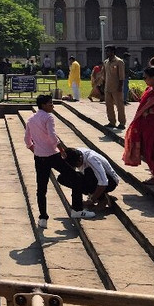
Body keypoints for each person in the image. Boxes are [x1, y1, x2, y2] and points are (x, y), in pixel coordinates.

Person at [24, 94, 93, 228]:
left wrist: (36, 150)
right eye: (50, 104)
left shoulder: (31, 119)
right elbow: (52, 136)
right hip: (53, 156)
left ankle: (43, 218)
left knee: (41, 188)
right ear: (43, 105)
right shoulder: (48, 117)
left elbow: (27, 140)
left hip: (39, 158)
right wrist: (62, 150)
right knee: (76, 177)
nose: (52, 106)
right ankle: (77, 210)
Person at [103, 46, 126, 129]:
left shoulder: (119, 62)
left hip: (116, 88)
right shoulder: (106, 62)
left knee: (119, 105)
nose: (106, 53)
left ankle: (122, 123)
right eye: (106, 51)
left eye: (108, 51)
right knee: (109, 105)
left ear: (113, 51)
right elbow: (105, 75)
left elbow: (121, 76)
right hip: (108, 87)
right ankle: (112, 122)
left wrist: (120, 87)